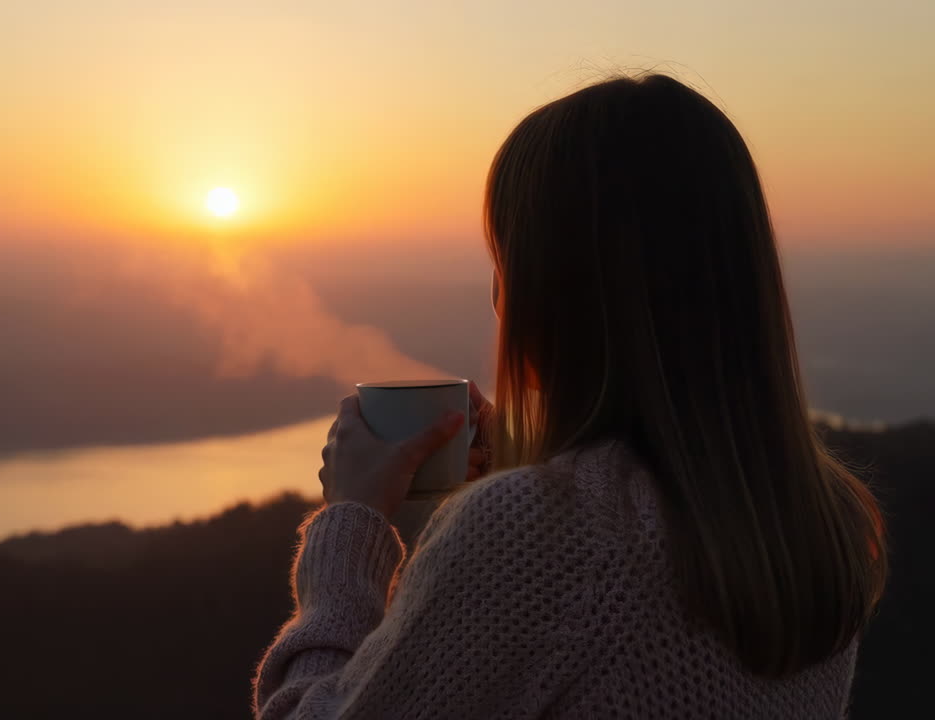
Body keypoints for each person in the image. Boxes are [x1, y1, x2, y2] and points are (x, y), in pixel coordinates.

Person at [252, 73, 886, 719]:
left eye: (506, 260)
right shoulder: (822, 518)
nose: (499, 297)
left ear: (555, 288)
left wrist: (351, 525)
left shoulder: (538, 533)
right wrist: (538, 466)